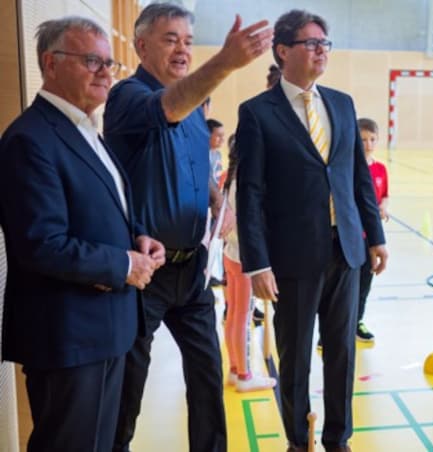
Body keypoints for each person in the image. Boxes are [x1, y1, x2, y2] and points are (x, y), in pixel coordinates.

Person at [102, 3, 274, 451]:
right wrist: (225, 62)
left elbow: (199, 168)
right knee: (128, 390)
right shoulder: (128, 97)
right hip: (146, 274)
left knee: (206, 380)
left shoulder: (196, 108)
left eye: (188, 41)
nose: (182, 49)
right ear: (140, 45)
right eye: (170, 39)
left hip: (193, 271)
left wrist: (217, 201)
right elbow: (168, 108)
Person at [0, 17, 165, 452]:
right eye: (92, 60)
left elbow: (102, 210)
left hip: (107, 327)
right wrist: (126, 265)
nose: (106, 72)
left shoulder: (88, 130)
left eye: (109, 63)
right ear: (50, 64)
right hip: (68, 337)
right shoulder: (30, 140)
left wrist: (139, 240)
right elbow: (41, 244)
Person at [235, 10, 387, 451]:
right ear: (283, 51)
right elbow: (251, 196)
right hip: (292, 260)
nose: (322, 51)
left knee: (341, 353)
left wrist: (375, 235)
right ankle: (299, 441)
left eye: (326, 44)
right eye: (312, 43)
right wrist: (257, 262)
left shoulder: (341, 103)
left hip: (347, 254)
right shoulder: (258, 113)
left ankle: (338, 439)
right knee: (296, 359)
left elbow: (357, 176)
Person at [221, 136, 277, 392]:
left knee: (234, 313)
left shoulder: (231, 177)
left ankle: (235, 368)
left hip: (231, 253)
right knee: (242, 316)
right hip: (244, 258)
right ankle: (244, 375)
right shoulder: (245, 181)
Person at [356, 117, 389, 343]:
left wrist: (383, 207)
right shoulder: (349, 167)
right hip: (351, 236)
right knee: (343, 286)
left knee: (364, 283)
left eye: (372, 140)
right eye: (363, 140)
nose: (368, 144)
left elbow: (384, 194)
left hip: (371, 238)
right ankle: (334, 329)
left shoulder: (380, 169)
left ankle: (357, 320)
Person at [207, 118, 225, 185]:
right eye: (219, 135)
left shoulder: (218, 154)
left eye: (223, 136)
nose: (222, 139)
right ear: (208, 135)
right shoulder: (203, 155)